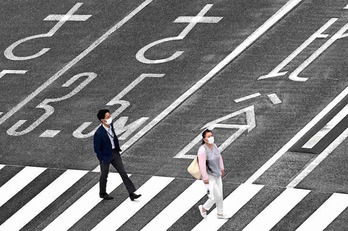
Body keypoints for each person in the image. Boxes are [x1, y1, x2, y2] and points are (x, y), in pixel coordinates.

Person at [93, 109, 141, 201]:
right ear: (102, 120)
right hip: (105, 156)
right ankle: (102, 193)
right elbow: (97, 149)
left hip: (115, 153)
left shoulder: (110, 126)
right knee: (104, 175)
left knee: (123, 172)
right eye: (108, 117)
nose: (110, 118)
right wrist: (102, 158)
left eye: (109, 116)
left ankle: (131, 193)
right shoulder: (98, 133)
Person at [197, 129, 229, 219]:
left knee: (220, 195)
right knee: (216, 196)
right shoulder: (202, 150)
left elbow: (219, 157)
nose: (211, 138)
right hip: (210, 176)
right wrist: (205, 177)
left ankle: (220, 213)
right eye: (208, 136)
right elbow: (202, 165)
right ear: (204, 139)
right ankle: (204, 208)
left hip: (217, 174)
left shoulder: (214, 146)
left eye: (211, 135)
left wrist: (222, 168)